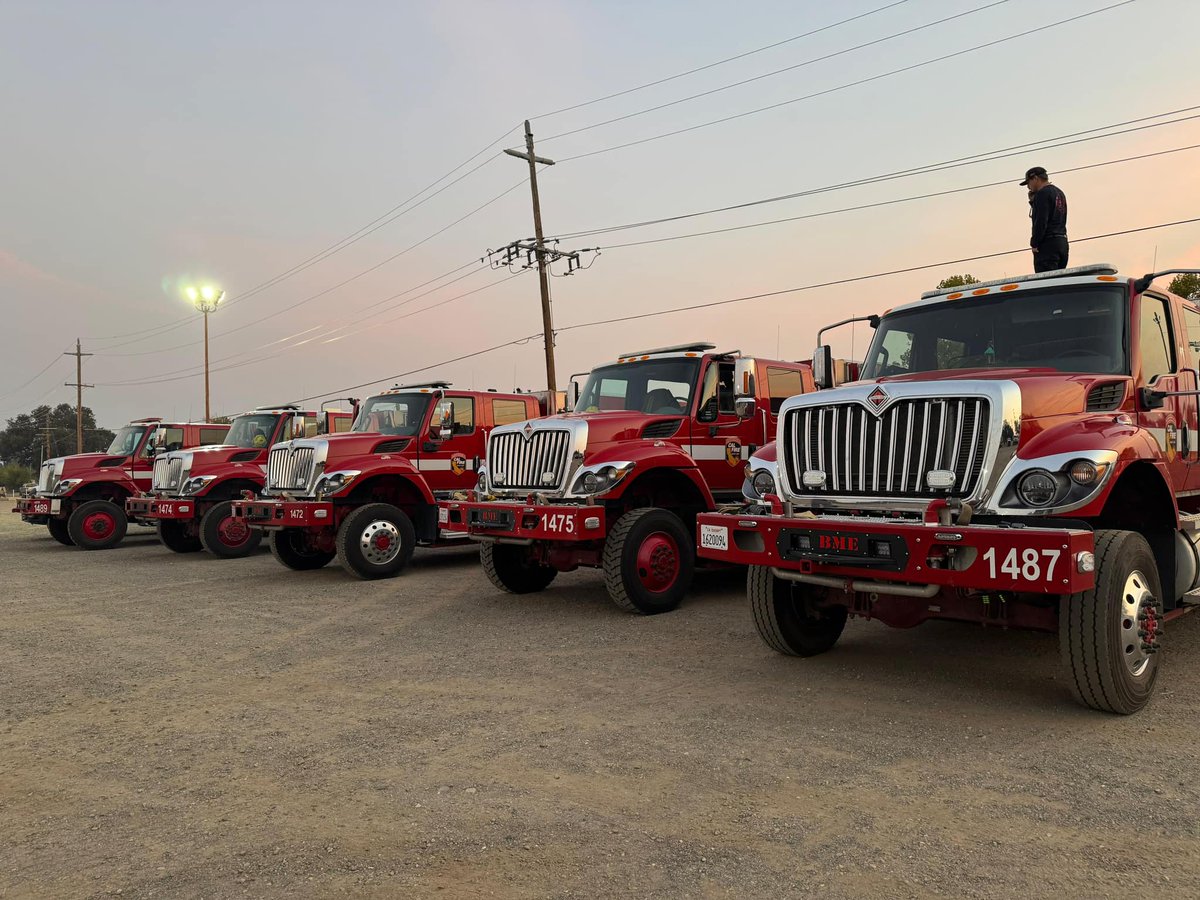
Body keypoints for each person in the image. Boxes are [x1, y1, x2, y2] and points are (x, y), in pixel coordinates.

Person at [1021, 166, 1068, 273]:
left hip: (1047, 245)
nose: (1028, 187)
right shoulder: (1059, 193)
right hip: (1062, 243)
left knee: (1047, 281)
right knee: (1059, 281)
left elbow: (1041, 221)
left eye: (1028, 183)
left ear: (1036, 178)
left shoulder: (1042, 194)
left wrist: (1035, 243)